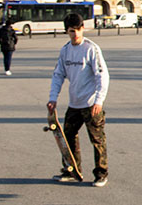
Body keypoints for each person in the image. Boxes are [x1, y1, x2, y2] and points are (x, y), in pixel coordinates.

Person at [48, 13, 110, 187]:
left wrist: (99, 100)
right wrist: (53, 98)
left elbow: (102, 76)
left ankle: (101, 173)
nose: (75, 34)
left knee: (97, 140)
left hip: (91, 104)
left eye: (77, 30)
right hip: (74, 104)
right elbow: (58, 75)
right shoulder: (65, 50)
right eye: (71, 31)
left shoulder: (91, 49)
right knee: (67, 137)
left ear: (83, 28)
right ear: (66, 31)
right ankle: (72, 170)